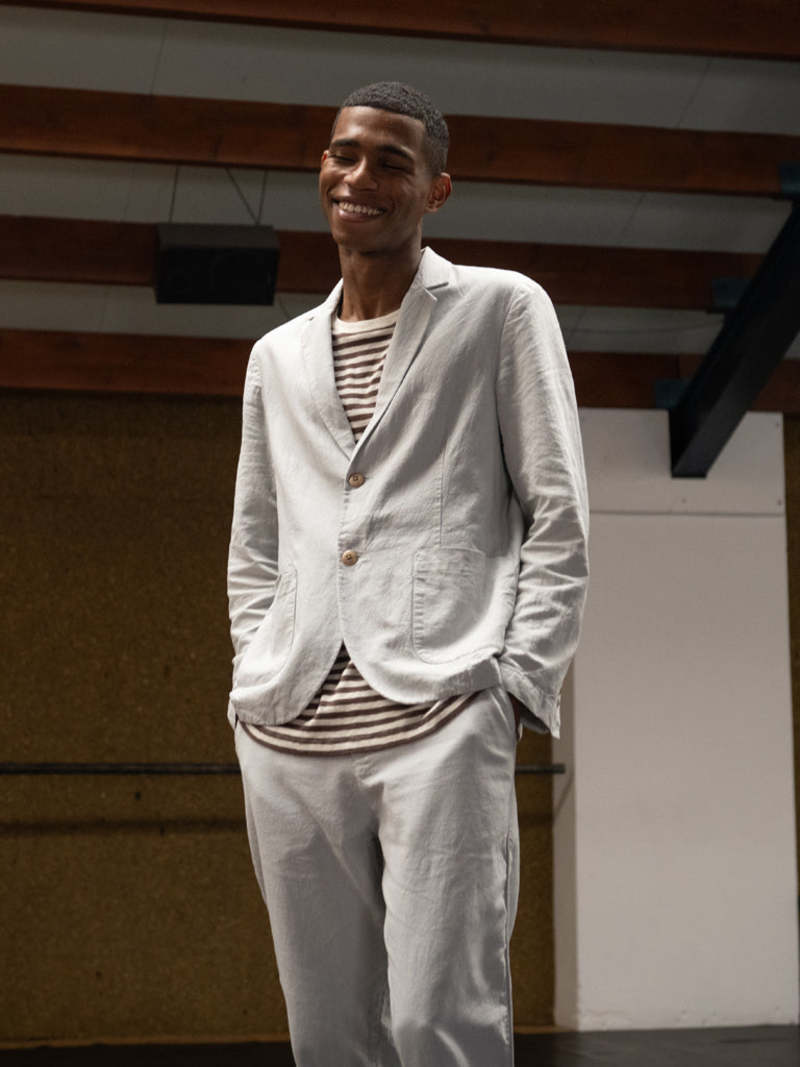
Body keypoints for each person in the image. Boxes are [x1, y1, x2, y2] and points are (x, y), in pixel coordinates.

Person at [227, 81, 589, 1067]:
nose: (360, 176)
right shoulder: (276, 357)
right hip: (289, 731)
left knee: (441, 1022)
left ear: (435, 189)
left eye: (392, 162)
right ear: (321, 167)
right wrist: (253, 665)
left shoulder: (500, 309)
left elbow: (558, 512)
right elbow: (255, 540)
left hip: (442, 715)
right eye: (344, 154)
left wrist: (514, 684)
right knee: (326, 1037)